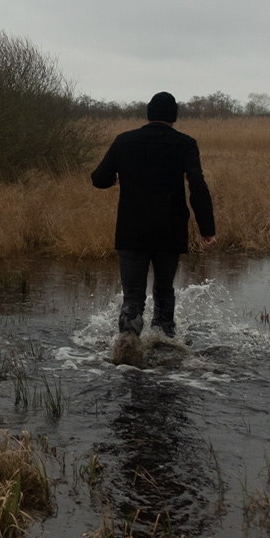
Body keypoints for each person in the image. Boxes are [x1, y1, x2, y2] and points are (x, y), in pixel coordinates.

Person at [91, 91, 216, 348]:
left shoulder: (124, 141)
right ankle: (164, 343)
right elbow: (198, 186)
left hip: (131, 230)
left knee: (133, 296)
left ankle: (127, 343)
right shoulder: (185, 143)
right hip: (170, 231)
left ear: (148, 113)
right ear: (174, 116)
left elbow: (98, 178)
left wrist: (115, 179)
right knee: (164, 290)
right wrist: (207, 228)